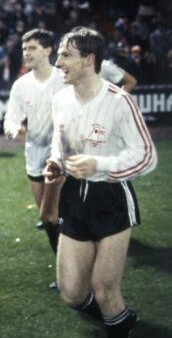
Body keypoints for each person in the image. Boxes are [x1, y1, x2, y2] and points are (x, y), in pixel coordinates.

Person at [47, 27, 157, 338]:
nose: (58, 63)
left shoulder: (119, 101)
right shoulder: (60, 100)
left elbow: (147, 156)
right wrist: (56, 162)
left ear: (89, 60)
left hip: (111, 197)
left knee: (105, 289)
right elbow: (60, 142)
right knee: (71, 293)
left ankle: (115, 320)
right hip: (73, 196)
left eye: (65, 55)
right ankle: (120, 319)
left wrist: (101, 164)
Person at [3, 29, 66, 279]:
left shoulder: (64, 79)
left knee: (64, 215)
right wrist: (13, 129)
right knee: (49, 218)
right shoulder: (21, 85)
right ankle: (65, 270)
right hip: (35, 156)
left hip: (64, 157)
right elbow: (10, 118)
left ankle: (74, 272)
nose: (26, 53)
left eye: (32, 48)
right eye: (24, 49)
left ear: (48, 50)